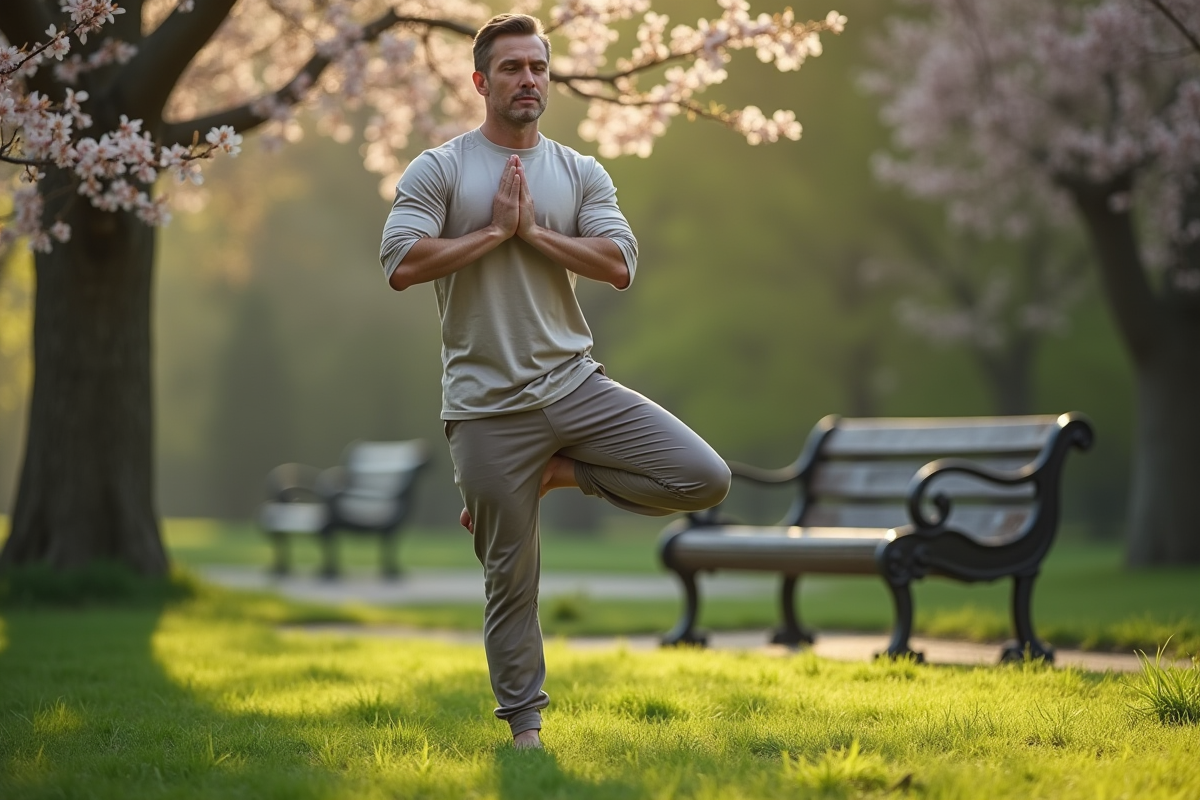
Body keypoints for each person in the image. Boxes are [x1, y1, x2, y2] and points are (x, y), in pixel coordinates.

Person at [379, 13, 730, 750]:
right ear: (481, 81)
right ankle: (526, 734)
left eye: (538, 67)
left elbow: (620, 265)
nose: (528, 79)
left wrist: (534, 234)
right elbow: (402, 265)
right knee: (511, 583)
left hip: (575, 385)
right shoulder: (439, 169)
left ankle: (557, 473)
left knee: (703, 476)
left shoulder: (580, 172)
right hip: (485, 411)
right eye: (511, 68)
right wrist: (490, 234)